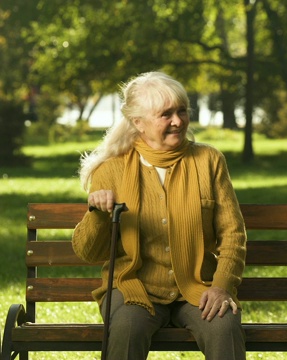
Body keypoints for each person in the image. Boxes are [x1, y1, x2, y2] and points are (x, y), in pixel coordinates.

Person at [72, 71, 247, 359]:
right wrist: (99, 215)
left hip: (197, 288)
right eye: (166, 114)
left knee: (223, 326)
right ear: (137, 122)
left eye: (181, 111)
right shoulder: (111, 169)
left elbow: (233, 234)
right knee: (128, 327)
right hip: (133, 288)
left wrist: (221, 287)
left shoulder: (209, 160)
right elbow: (88, 253)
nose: (178, 121)